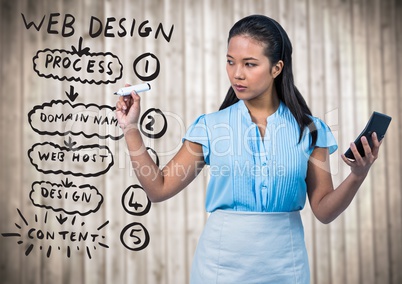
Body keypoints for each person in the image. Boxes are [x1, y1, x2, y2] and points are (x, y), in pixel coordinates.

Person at [115, 14, 382, 284]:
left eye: (249, 64)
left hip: (286, 269)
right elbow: (158, 189)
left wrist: (358, 175)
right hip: (219, 269)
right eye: (230, 62)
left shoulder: (310, 130)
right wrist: (130, 128)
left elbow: (324, 211)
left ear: (276, 68)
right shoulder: (211, 126)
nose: (237, 73)